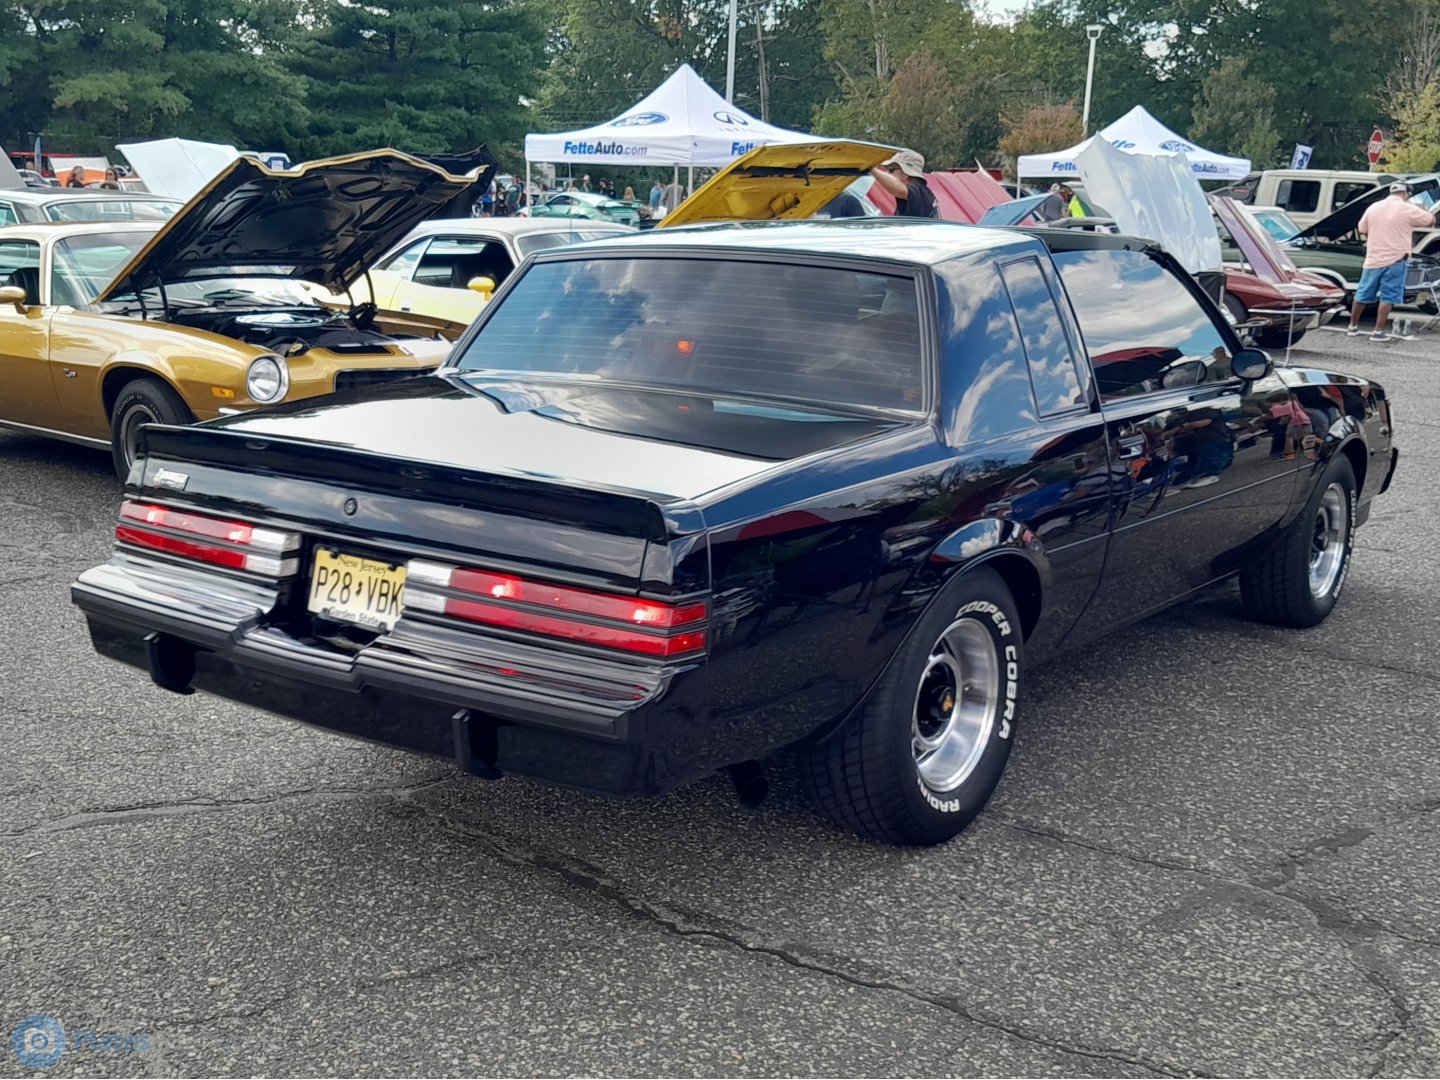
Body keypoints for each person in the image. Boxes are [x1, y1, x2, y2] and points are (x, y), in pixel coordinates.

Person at [1346, 180, 1437, 341]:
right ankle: (1377, 331)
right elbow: (1430, 221)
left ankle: (1352, 326)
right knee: (1388, 296)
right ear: (1405, 193)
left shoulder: (1373, 207)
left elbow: (1362, 229)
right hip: (1396, 259)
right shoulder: (1407, 208)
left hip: (1373, 258)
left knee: (1362, 294)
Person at [869, 150, 937, 218]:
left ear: (905, 173)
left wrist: (870, 169)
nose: (887, 173)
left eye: (891, 169)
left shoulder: (920, 192)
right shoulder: (919, 195)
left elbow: (899, 190)